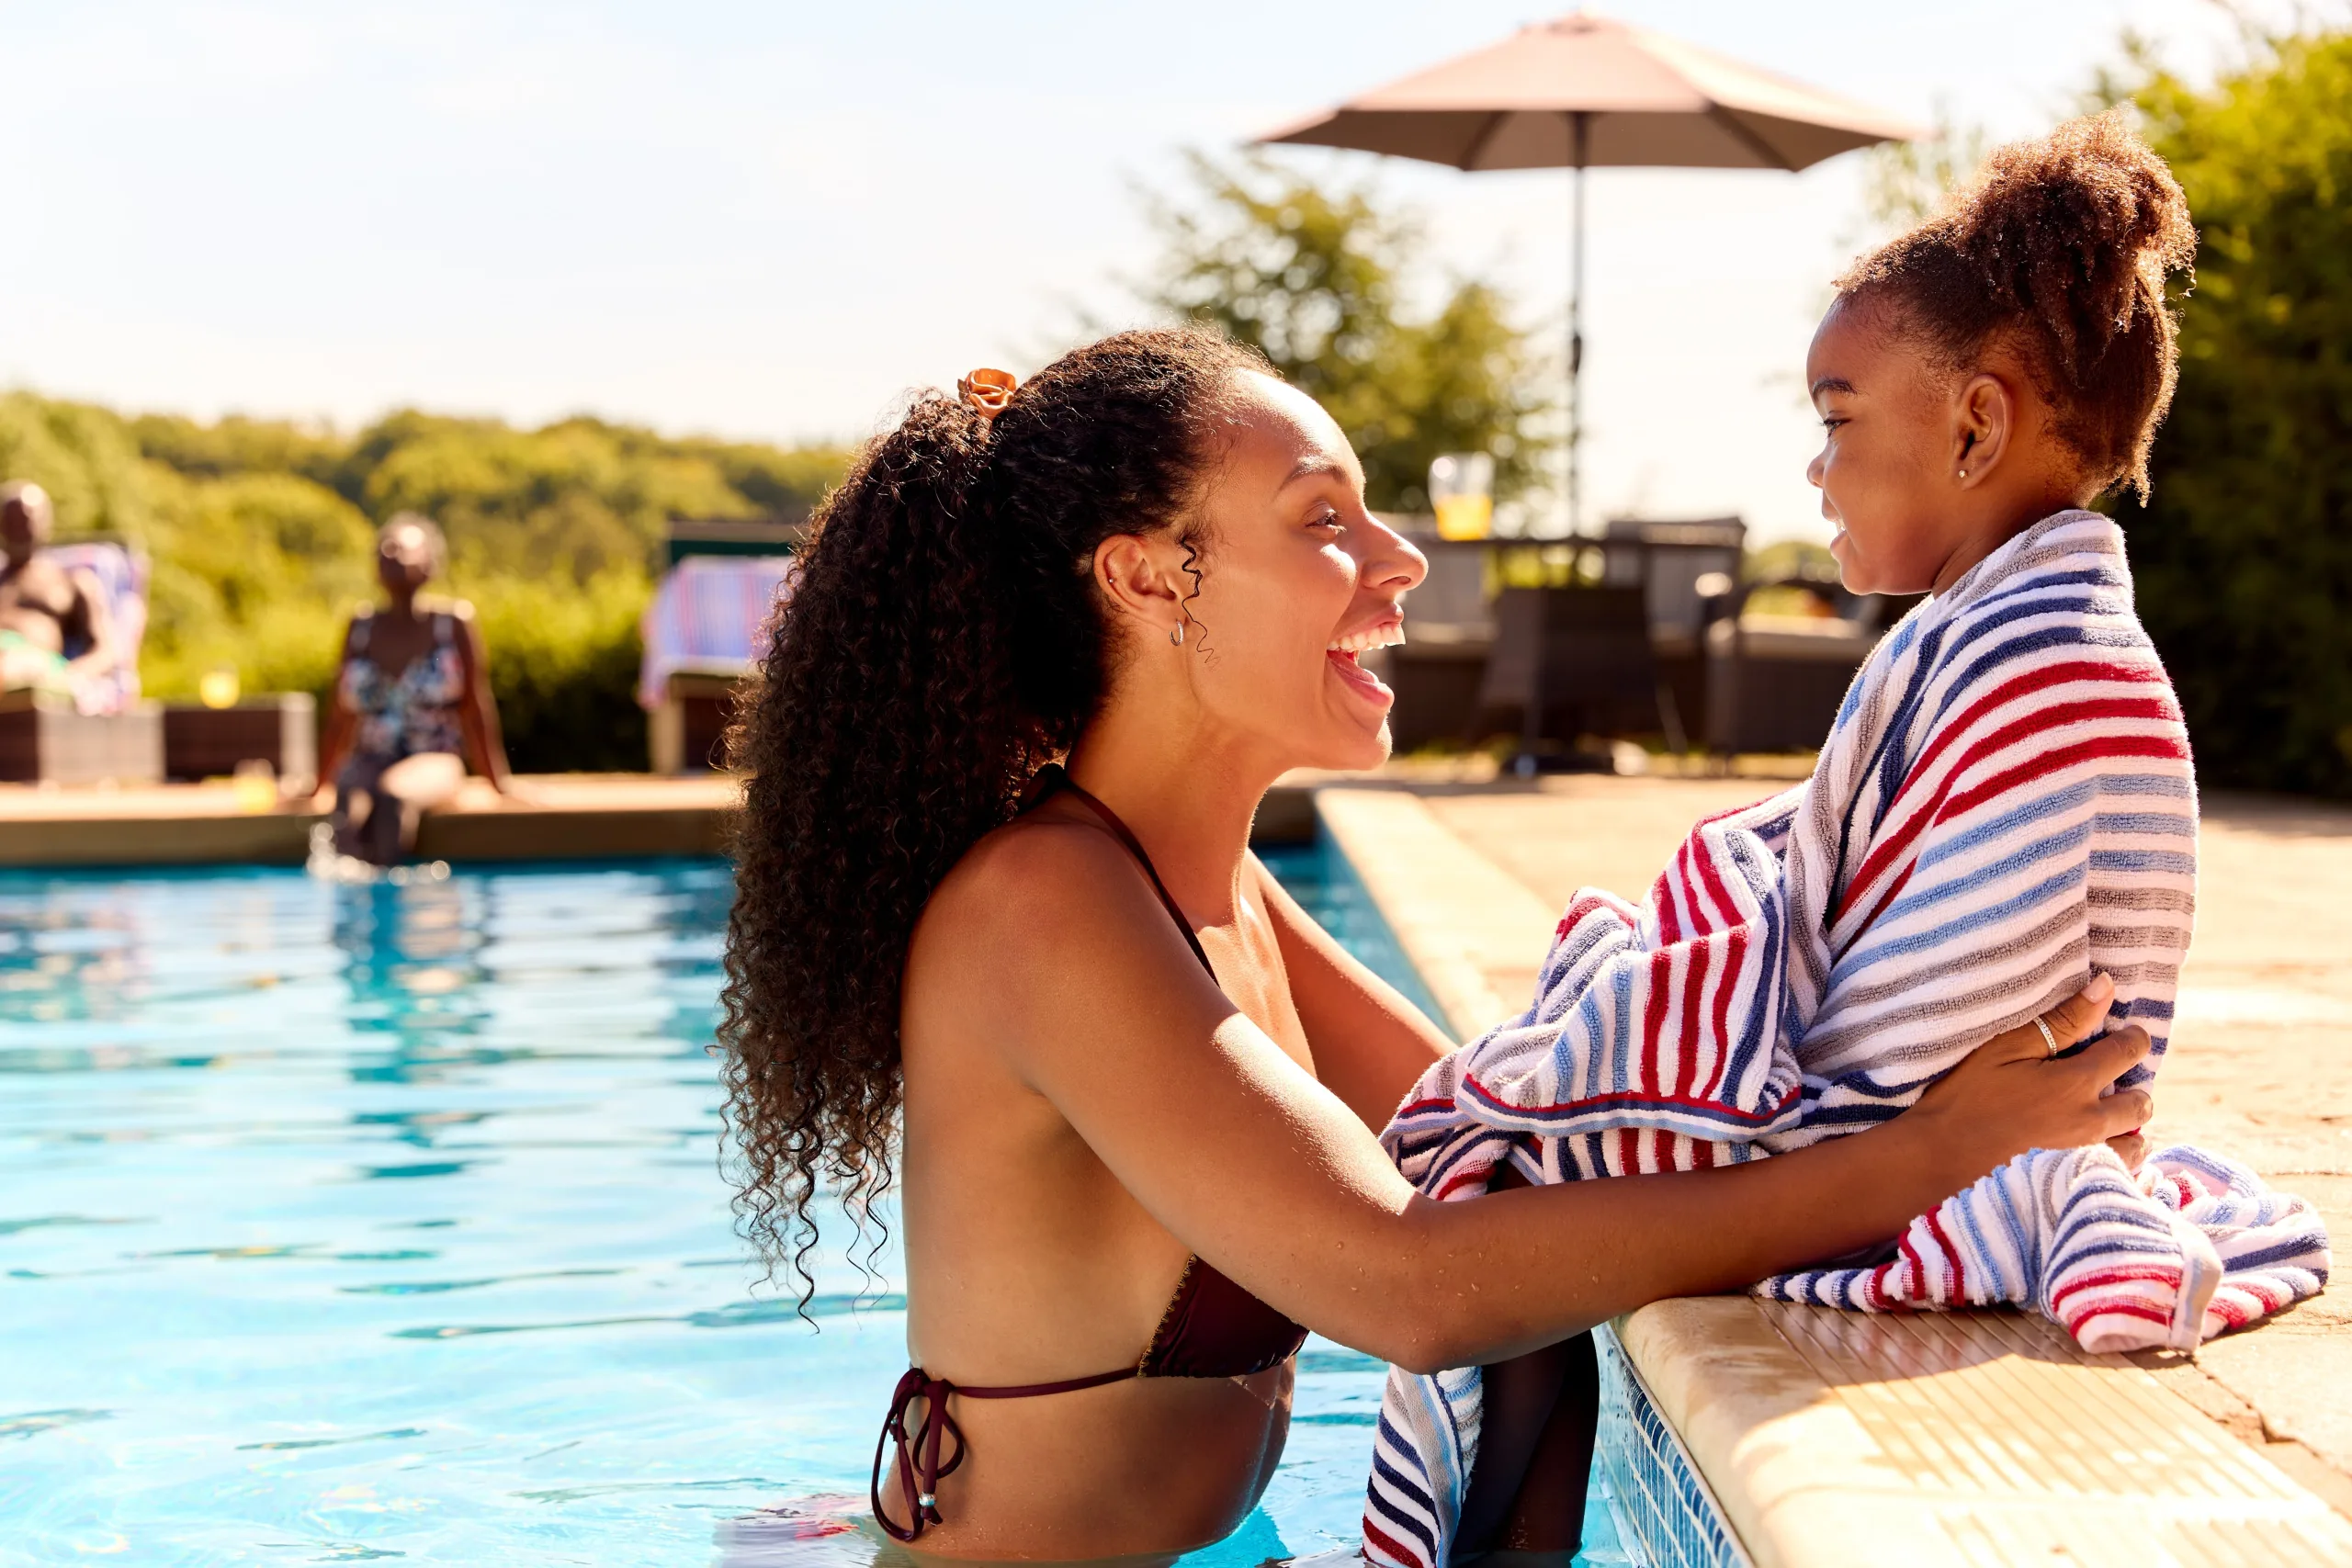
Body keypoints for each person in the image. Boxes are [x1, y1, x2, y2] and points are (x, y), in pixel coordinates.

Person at [719, 331, 2154, 1562]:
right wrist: (1921, 1156)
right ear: (1151, 579)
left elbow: (1509, 1138)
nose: (1398, 560)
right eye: (1323, 515)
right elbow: (1412, 1282)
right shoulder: (1044, 908)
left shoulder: (1217, 893)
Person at [1363, 112, 2324, 1568]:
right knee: (1542, 1164)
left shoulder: (2044, 657)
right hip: (1957, 1116)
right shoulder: (2004, 632)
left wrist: (1698, 1019)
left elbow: (1933, 1035)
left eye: (1836, 416)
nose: (1813, 468)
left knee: (1517, 1163)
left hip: (1962, 1141)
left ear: (1976, 423)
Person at [314, 513, 520, 865]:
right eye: (384, 548)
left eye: (402, 547)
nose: (391, 553)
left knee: (392, 797)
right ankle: (349, 910)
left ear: (429, 563)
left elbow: (475, 708)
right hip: (371, 757)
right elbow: (340, 715)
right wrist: (318, 784)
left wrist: (498, 784)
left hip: (435, 757)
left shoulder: (453, 624)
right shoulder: (359, 628)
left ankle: (396, 908)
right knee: (348, 805)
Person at [0, 480, 121, 709]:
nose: (18, 529)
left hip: (33, 669)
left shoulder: (71, 581)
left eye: (25, 519)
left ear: (45, 523)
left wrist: (69, 677)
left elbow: (106, 651)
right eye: (10, 520)